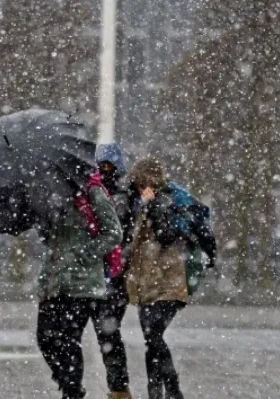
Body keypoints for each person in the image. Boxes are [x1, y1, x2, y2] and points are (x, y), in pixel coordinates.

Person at [36, 169, 123, 399]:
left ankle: (71, 391)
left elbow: (114, 232)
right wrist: (45, 220)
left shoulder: (92, 191)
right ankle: (69, 385)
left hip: (81, 282)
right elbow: (50, 238)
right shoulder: (51, 194)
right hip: (53, 281)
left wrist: (86, 254)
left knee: (68, 340)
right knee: (45, 338)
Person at [126, 157, 189, 399]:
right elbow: (130, 234)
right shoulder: (139, 203)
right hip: (145, 283)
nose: (139, 186)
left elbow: (165, 236)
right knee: (151, 340)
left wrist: (152, 208)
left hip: (167, 283)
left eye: (141, 181)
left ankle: (173, 391)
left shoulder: (165, 201)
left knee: (154, 336)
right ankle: (156, 394)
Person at [92, 143, 133, 399]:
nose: (106, 171)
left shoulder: (122, 196)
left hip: (114, 273)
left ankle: (118, 388)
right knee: (106, 333)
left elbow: (120, 232)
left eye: (110, 166)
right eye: (102, 166)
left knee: (108, 332)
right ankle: (118, 387)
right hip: (101, 272)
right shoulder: (94, 193)